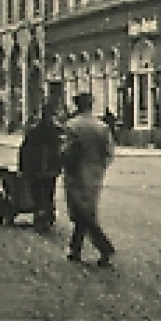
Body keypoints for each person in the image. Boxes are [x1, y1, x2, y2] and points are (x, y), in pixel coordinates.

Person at [61, 90, 117, 267]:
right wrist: (100, 167)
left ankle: (104, 247)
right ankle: (75, 249)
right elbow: (109, 152)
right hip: (94, 174)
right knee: (85, 211)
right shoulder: (101, 127)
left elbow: (67, 151)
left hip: (76, 173)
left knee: (82, 213)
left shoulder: (72, 126)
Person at [17, 105, 63, 233]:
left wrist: (22, 167)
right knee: (47, 192)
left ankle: (41, 214)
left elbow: (24, 150)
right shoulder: (55, 132)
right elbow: (60, 151)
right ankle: (45, 214)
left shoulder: (35, 132)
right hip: (46, 169)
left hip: (38, 169)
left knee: (39, 193)